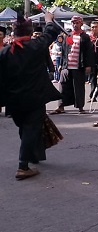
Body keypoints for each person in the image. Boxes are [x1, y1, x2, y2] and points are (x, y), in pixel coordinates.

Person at [0, 12, 62, 179]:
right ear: (29, 32)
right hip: (34, 99)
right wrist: (49, 19)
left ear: (14, 33)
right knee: (30, 129)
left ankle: (31, 156)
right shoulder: (35, 46)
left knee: (25, 128)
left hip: (13, 101)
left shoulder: (5, 53)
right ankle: (23, 166)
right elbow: (50, 33)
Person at [52, 16, 95, 114]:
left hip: (78, 66)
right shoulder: (68, 35)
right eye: (73, 23)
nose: (75, 25)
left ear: (81, 24)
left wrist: (88, 65)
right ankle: (61, 106)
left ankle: (80, 107)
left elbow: (89, 52)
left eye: (77, 23)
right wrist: (61, 64)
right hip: (67, 66)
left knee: (78, 87)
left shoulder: (85, 37)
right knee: (63, 85)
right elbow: (64, 50)